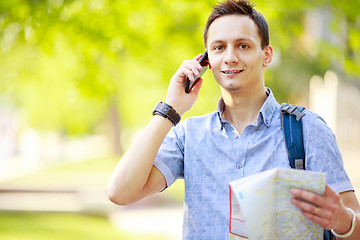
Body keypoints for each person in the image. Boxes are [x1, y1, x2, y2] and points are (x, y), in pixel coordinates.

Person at [107, 0, 360, 239]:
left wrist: (342, 220)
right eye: (219, 47)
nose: (230, 57)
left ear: (266, 55)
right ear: (206, 60)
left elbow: (354, 222)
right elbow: (120, 192)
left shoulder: (307, 129)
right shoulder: (189, 136)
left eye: (243, 45)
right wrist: (171, 109)